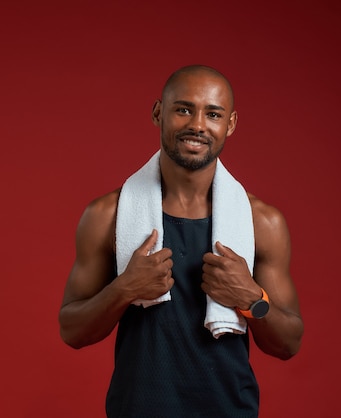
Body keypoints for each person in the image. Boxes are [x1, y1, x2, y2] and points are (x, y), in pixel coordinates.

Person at [59, 65, 303, 417]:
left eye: (213, 114)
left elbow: (289, 343)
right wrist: (123, 289)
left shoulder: (261, 222)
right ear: (159, 113)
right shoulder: (106, 215)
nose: (198, 125)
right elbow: (71, 330)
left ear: (230, 124)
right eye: (184, 109)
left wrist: (251, 298)